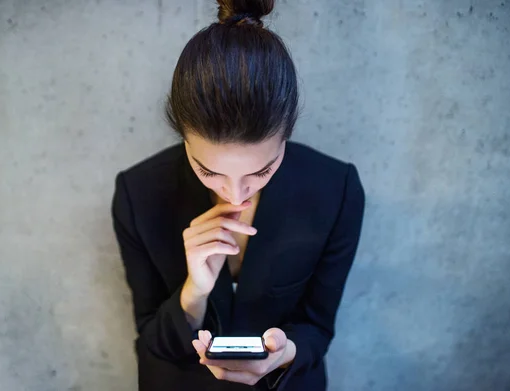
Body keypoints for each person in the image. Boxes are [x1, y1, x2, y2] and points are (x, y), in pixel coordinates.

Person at [111, 0, 366, 389]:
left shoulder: (335, 190)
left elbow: (317, 327)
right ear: (183, 137)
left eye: (261, 171)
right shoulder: (138, 193)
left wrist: (286, 354)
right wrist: (194, 291)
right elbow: (150, 340)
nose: (234, 194)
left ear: (287, 135)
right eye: (208, 171)